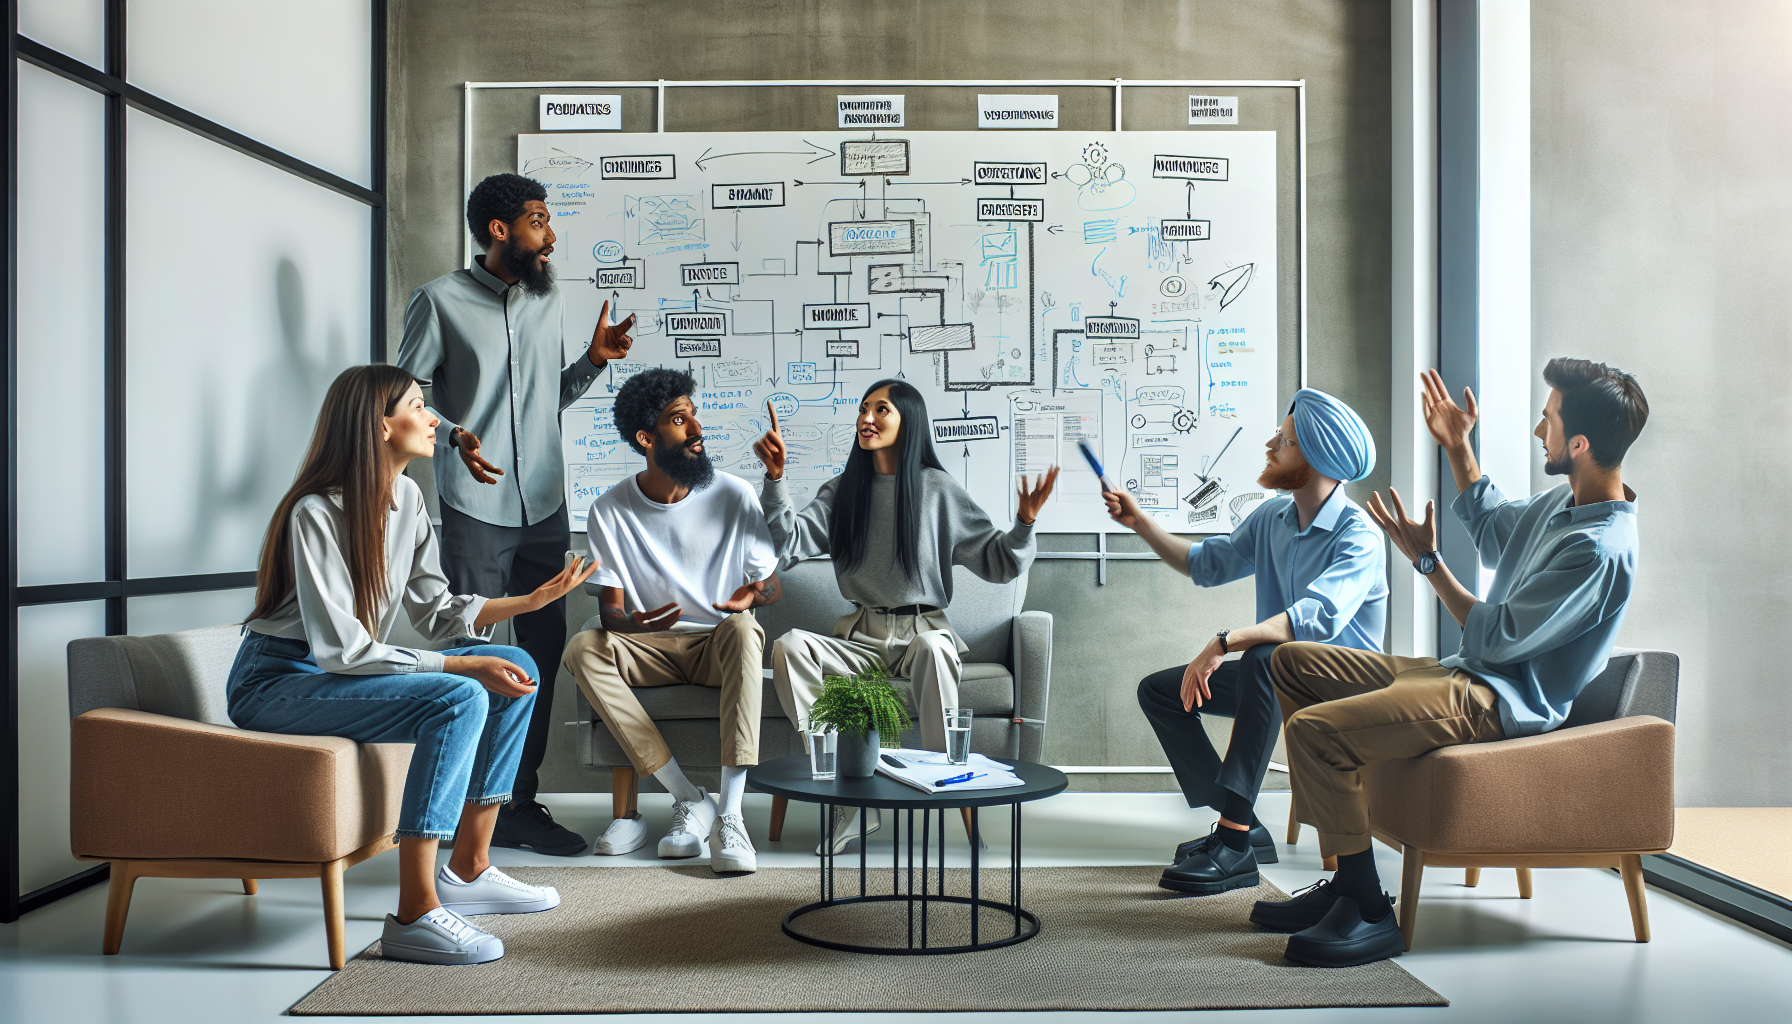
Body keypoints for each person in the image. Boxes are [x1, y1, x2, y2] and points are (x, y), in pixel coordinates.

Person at [1256, 361, 1646, 968]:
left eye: (1549, 418)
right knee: (1291, 662)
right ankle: (1346, 877)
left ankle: (1366, 908)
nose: (1537, 427)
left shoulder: (1598, 550)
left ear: (1580, 443)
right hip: (1460, 672)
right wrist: (1459, 445)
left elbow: (1499, 638)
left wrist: (1429, 563)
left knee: (1314, 731)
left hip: (1497, 699)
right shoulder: (1563, 507)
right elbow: (1493, 531)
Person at [230, 365, 597, 965]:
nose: (434, 420)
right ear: (380, 426)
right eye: (419, 406)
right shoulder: (316, 513)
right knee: (459, 695)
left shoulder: (408, 497)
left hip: (330, 675)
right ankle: (414, 912)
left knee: (515, 660)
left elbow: (436, 611)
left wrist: (530, 602)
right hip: (276, 682)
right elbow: (341, 650)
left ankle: (471, 867)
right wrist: (458, 666)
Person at [396, 172, 635, 857]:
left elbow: (543, 401)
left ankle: (517, 805)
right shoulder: (438, 302)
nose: (550, 234)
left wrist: (593, 361)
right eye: (538, 220)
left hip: (545, 505)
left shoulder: (546, 296)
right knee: (480, 654)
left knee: (538, 658)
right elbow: (404, 400)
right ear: (499, 229)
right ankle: (467, 810)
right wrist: (452, 436)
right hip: (475, 507)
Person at [752, 379, 1058, 852]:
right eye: (863, 408)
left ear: (908, 420)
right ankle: (848, 798)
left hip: (923, 635)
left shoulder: (937, 490)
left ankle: (940, 787)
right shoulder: (841, 492)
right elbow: (785, 546)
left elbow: (1000, 562)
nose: (866, 419)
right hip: (860, 638)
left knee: (936, 648)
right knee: (789, 645)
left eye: (881, 410)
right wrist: (775, 480)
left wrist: (1025, 523)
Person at [1105, 389, 1387, 897]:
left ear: (1316, 458)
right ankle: (1243, 821)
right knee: (1162, 692)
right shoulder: (1274, 517)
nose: (1270, 443)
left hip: (1345, 688)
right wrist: (1140, 522)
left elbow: (1316, 618)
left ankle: (1233, 843)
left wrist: (1223, 641)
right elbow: (1203, 565)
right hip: (1279, 677)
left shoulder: (1358, 535)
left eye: (1285, 440)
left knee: (1264, 655)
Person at [561, 368, 783, 874]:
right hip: (650, 648)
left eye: (693, 415)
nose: (695, 429)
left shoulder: (733, 494)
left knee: (746, 629)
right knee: (583, 646)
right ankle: (689, 797)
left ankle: (729, 815)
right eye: (679, 420)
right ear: (646, 438)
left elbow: (772, 584)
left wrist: (754, 595)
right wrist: (636, 623)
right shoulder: (610, 509)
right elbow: (611, 615)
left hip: (715, 645)